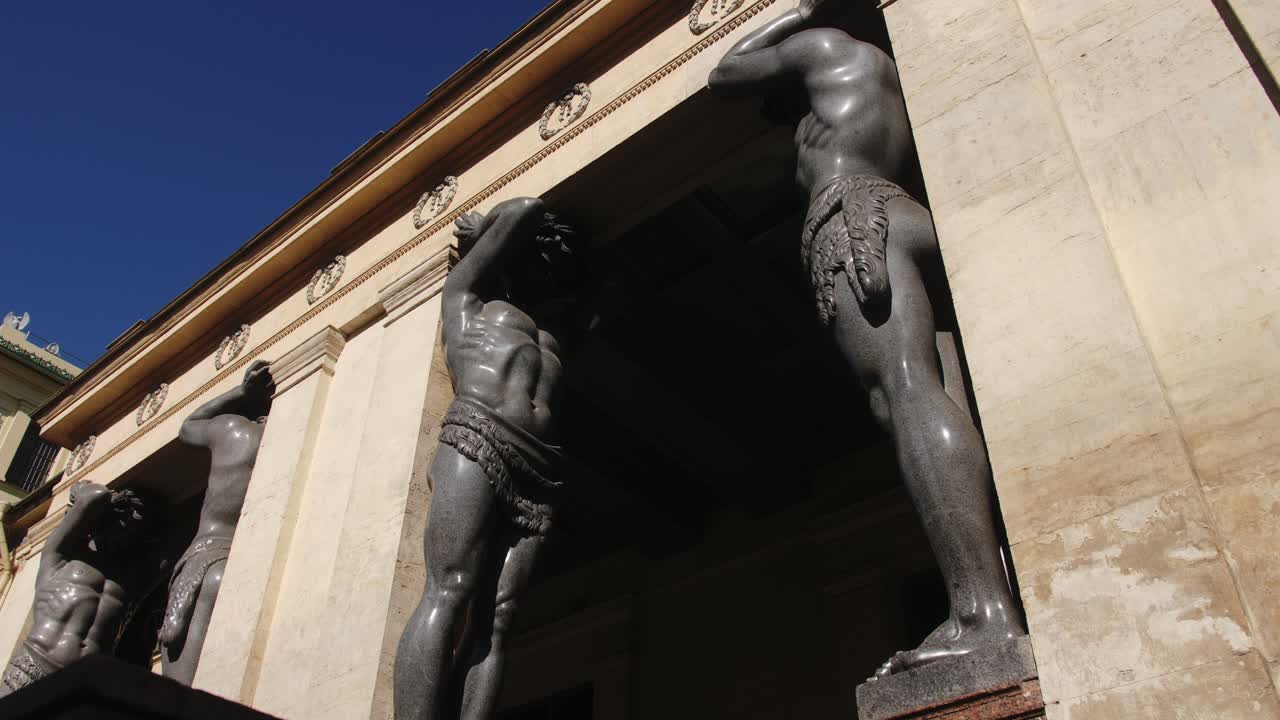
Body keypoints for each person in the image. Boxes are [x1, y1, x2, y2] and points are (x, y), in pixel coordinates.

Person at [709, 0, 1024, 679]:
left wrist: (793, 14)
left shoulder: (822, 46)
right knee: (940, 397)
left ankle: (980, 614)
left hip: (849, 215)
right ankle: (1001, 599)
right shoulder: (885, 75)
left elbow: (724, 72)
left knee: (903, 394)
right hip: (903, 208)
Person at [394, 197, 580, 720]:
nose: (547, 266)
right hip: (478, 433)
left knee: (498, 619)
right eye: (538, 255)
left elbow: (615, 290)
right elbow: (525, 207)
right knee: (451, 586)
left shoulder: (554, 332)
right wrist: (485, 235)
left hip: (540, 466)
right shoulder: (466, 297)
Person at [160, 359, 273, 685]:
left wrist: (241, 392)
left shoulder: (234, 430)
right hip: (251, 561)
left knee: (179, 683)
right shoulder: (290, 433)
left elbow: (188, 426)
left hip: (206, 553)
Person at [1, 481, 153, 695]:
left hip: (84, 685)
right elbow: (95, 495)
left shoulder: (127, 579)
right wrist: (81, 491)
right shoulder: (59, 557)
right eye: (125, 524)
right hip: (33, 668)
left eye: (134, 530)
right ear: (106, 520)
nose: (127, 535)